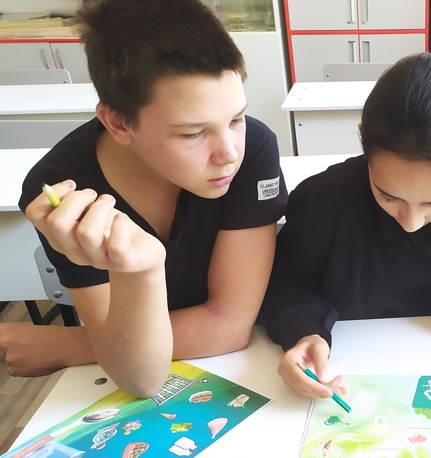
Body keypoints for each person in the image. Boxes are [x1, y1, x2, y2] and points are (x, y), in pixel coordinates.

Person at [0, 0, 287, 397]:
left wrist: (73, 345)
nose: (229, 154)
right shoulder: (64, 193)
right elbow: (141, 380)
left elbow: (228, 326)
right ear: (118, 123)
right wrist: (143, 270)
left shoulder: (253, 149)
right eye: (192, 133)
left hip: (253, 359)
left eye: (236, 118)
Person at [262, 52, 431, 400]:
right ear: (364, 141)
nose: (412, 223)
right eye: (388, 196)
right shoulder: (324, 199)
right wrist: (304, 334)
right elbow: (285, 284)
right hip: (346, 364)